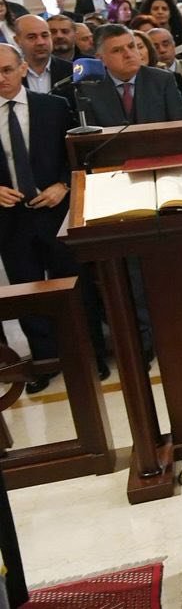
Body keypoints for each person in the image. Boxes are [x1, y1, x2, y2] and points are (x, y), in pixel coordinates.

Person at [0, 43, 78, 393]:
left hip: (55, 209)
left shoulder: (54, 107)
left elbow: (75, 155)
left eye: (5, 70)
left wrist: (63, 184)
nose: (0, 78)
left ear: (21, 69)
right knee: (26, 289)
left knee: (72, 286)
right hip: (10, 220)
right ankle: (45, 360)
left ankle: (83, 355)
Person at [75, 25, 182, 127]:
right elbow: (89, 139)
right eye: (117, 50)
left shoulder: (162, 80)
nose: (128, 54)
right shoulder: (88, 88)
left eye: (131, 46)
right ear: (101, 59)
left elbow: (180, 127)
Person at [12, 16, 73, 99]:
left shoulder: (72, 71)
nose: (40, 42)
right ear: (17, 41)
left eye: (45, 35)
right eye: (32, 37)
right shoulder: (10, 74)